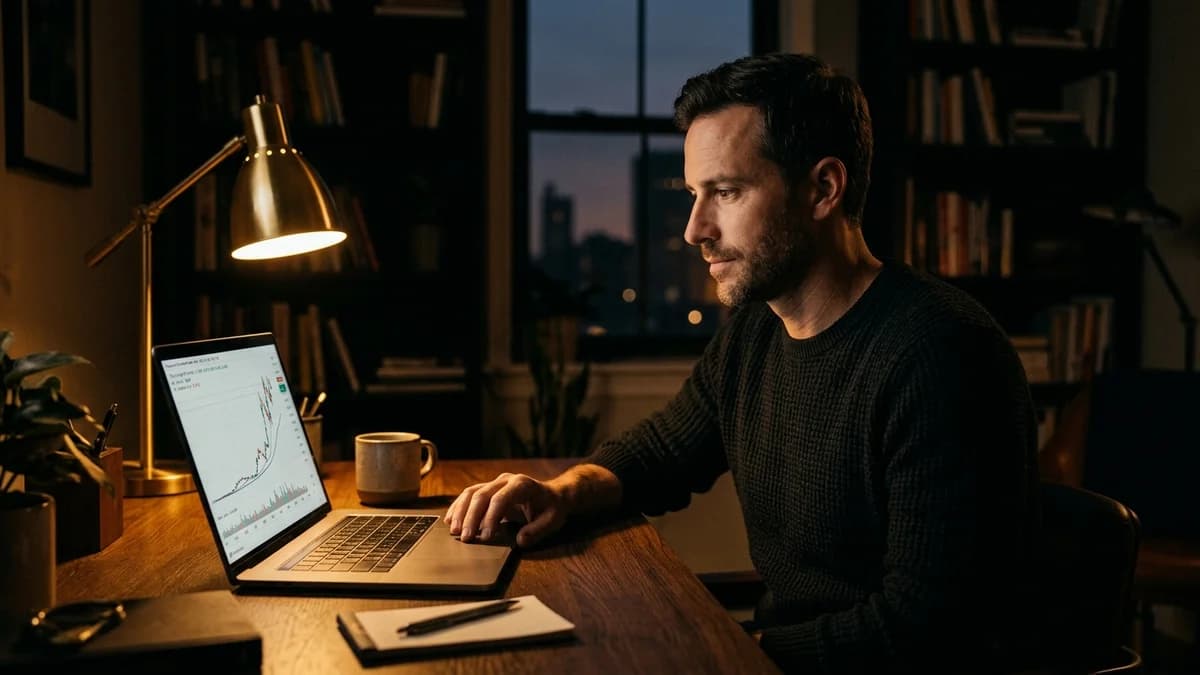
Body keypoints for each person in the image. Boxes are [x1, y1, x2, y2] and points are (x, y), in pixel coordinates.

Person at [445, 53, 1038, 674]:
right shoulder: (757, 330)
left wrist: (729, 653)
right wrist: (562, 492)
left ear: (823, 189)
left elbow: (929, 625)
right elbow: (661, 455)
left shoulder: (941, 355)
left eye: (726, 192)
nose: (695, 229)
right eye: (695, 194)